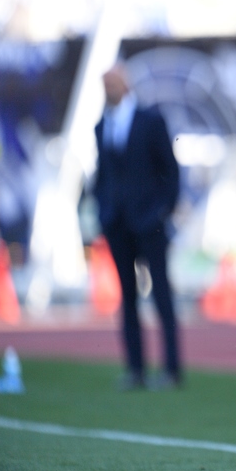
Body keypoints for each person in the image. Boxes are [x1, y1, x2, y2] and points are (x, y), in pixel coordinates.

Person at [93, 63, 183, 391]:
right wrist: (102, 210)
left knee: (161, 294)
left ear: (125, 85)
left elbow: (169, 170)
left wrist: (162, 211)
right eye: (105, 85)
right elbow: (103, 174)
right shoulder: (101, 126)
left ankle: (171, 369)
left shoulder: (150, 121)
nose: (108, 91)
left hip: (149, 222)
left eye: (112, 84)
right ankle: (135, 368)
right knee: (127, 297)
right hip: (117, 223)